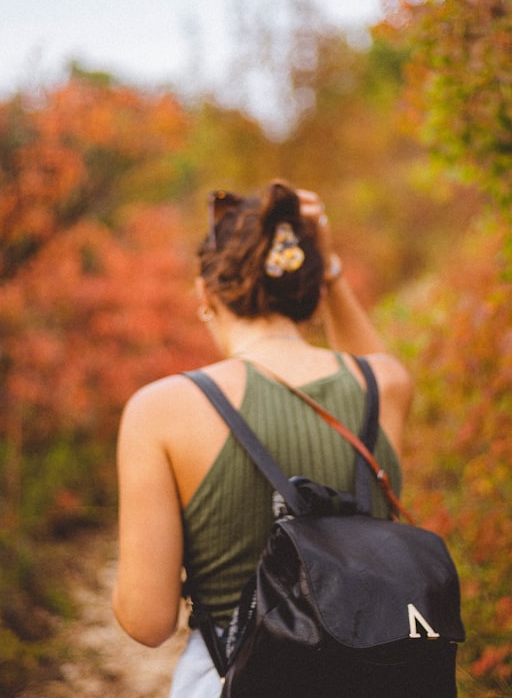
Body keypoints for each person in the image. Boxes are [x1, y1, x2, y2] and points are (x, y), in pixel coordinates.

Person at [111, 180, 413, 697]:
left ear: (204, 296)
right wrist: (329, 266)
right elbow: (374, 363)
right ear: (315, 291)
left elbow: (147, 621)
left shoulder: (161, 408)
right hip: (374, 676)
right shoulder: (383, 386)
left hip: (234, 678)